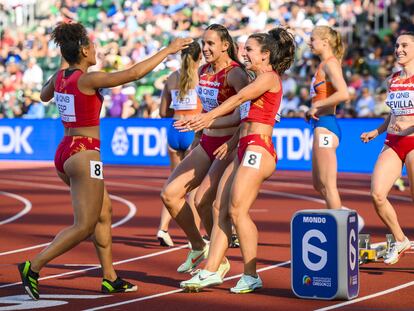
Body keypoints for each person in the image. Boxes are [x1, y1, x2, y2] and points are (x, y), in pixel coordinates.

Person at [17, 21, 192, 300]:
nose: (96, 49)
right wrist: (167, 50)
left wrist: (61, 71)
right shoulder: (88, 79)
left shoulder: (60, 76)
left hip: (65, 150)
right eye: (93, 46)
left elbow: (44, 95)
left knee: (104, 212)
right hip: (85, 154)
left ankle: (109, 277)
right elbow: (133, 74)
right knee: (84, 224)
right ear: (84, 50)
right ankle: (34, 265)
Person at [178, 27, 295, 293]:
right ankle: (211, 269)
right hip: (244, 146)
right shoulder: (257, 76)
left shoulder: (268, 78)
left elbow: (240, 97)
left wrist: (209, 117)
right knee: (219, 206)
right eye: (242, 48)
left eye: (249, 49)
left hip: (259, 149)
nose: (243, 53)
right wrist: (230, 143)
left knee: (237, 210)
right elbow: (245, 118)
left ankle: (251, 273)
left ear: (265, 55)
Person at [160, 24, 249, 275]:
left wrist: (206, 120)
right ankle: (199, 245)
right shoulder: (203, 71)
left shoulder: (235, 74)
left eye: (211, 44)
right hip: (206, 141)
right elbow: (207, 112)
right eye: (204, 43)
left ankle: (219, 260)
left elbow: (245, 115)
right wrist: (199, 128)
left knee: (202, 202)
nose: (206, 48)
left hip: (228, 146)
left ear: (225, 45)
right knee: (170, 194)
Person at [360, 31, 414, 265]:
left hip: (413, 140)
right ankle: (401, 239)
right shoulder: (394, 78)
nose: (399, 49)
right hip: (392, 140)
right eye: (396, 45)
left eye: (404, 45)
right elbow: (394, 113)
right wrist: (377, 131)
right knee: (377, 194)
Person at [306, 25, 364, 231]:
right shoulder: (324, 64)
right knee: (318, 185)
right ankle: (341, 220)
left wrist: (316, 105)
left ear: (325, 42)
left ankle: (340, 232)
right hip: (320, 125)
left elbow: (344, 94)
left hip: (326, 127)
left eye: (312, 39)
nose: (309, 42)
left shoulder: (331, 64)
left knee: (328, 185)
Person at [157, 41, 203, 247]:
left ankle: (163, 228)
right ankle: (194, 235)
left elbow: (162, 112)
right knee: (195, 186)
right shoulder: (201, 77)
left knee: (173, 184)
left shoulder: (172, 78)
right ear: (199, 57)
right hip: (193, 129)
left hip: (174, 130)